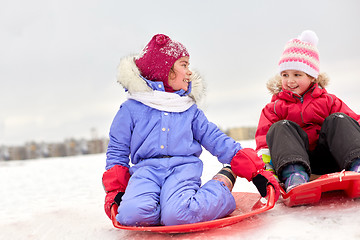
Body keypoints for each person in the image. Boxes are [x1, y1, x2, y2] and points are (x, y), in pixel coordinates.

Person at [102, 34, 280, 227]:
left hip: (182, 170)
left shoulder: (188, 110)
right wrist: (116, 191)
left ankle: (222, 184)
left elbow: (217, 140)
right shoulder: (131, 109)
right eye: (184, 65)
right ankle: (164, 206)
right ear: (165, 70)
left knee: (177, 216)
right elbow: (117, 152)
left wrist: (256, 172)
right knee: (131, 216)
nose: (189, 72)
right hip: (146, 173)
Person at [255, 30, 360, 192]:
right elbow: (263, 143)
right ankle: (294, 176)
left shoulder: (329, 101)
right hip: (293, 161)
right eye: (285, 74)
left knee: (339, 119)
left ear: (312, 77)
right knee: (280, 127)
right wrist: (267, 169)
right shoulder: (273, 108)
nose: (290, 81)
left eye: (297, 74)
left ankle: (357, 164)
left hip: (332, 159)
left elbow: (354, 125)